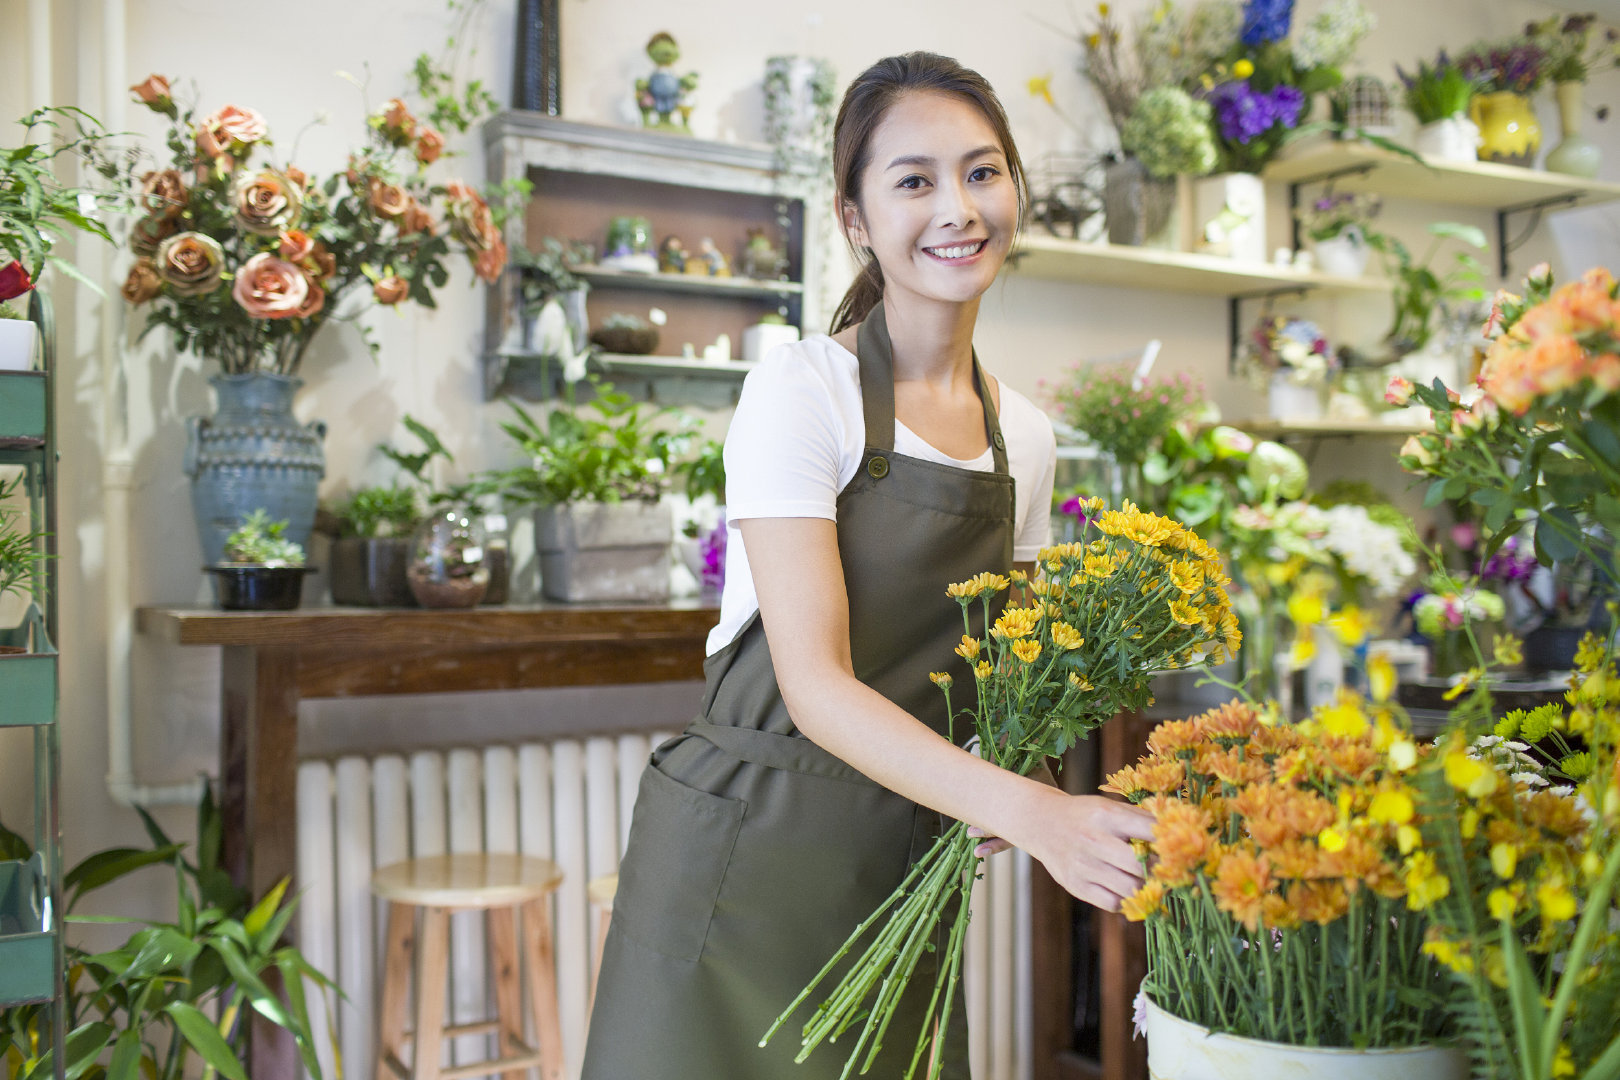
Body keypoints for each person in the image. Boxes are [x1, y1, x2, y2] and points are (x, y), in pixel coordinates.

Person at [581, 51, 1154, 1080]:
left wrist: (1009, 770)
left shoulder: (1023, 436)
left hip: (895, 865)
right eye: (914, 181)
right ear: (855, 219)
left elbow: (997, 664)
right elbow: (814, 686)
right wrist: (1031, 814)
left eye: (983, 172)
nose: (958, 208)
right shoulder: (805, 389)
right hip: (743, 862)